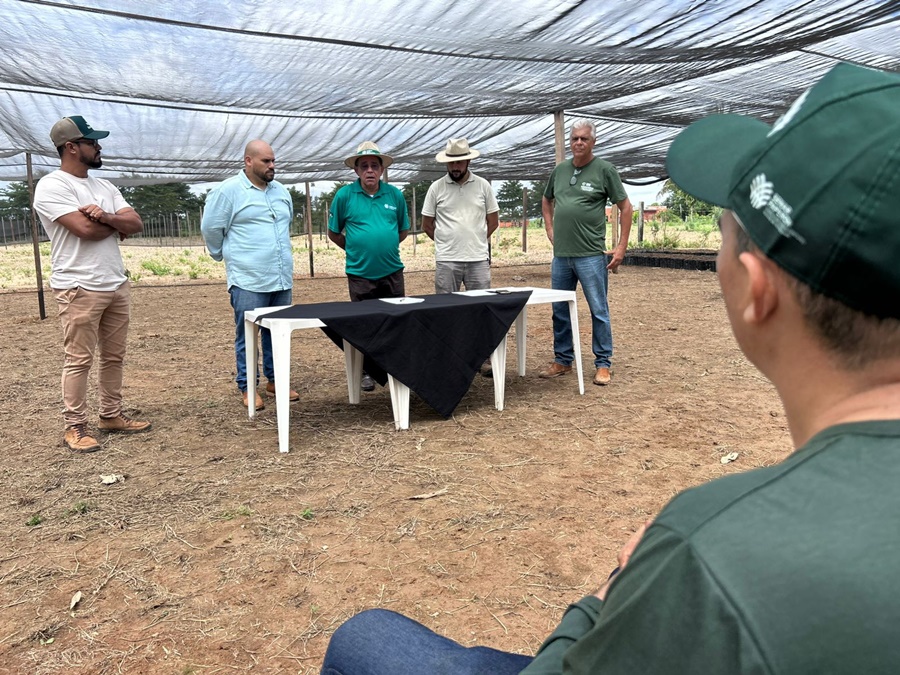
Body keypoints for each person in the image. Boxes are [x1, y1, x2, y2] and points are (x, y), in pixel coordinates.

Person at [320, 63, 900, 674]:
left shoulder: (707, 549)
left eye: (730, 230)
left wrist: (601, 603)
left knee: (364, 638)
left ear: (756, 293)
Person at [33, 115, 151, 453]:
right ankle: (75, 426)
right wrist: (115, 225)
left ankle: (111, 414)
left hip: (115, 283)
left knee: (114, 356)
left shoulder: (104, 187)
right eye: (91, 142)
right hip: (78, 286)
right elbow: (83, 231)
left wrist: (106, 217)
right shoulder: (53, 186)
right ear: (71, 147)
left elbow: (136, 222)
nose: (99, 147)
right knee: (79, 359)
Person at [201, 140, 298, 411]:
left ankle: (275, 380)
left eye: (273, 161)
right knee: (248, 332)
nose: (272, 166)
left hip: (280, 276)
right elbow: (211, 228)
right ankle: (247, 386)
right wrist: (225, 256)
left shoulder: (280, 192)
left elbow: (285, 224)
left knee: (277, 329)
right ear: (248, 161)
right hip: (248, 278)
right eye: (266, 161)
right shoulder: (228, 191)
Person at [540, 119, 632, 386]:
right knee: (559, 308)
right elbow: (547, 200)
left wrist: (621, 246)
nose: (578, 143)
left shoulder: (604, 170)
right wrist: (549, 227)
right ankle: (563, 360)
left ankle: (603, 363)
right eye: (574, 139)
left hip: (591, 254)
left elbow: (625, 207)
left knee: (598, 309)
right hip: (561, 255)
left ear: (594, 142)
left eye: (584, 139)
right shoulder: (560, 171)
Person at [328, 141, 410, 392]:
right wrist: (357, 250)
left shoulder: (394, 195)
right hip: (360, 274)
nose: (370, 170)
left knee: (395, 321)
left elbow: (403, 230)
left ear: (382, 170)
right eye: (364, 166)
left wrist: (381, 245)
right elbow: (334, 233)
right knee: (364, 323)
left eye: (375, 165)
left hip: (392, 271)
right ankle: (366, 371)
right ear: (356, 171)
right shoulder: (344, 196)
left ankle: (397, 368)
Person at [422, 137, 500, 376]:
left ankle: (482, 358)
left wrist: (475, 240)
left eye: (459, 162)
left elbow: (493, 221)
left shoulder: (483, 186)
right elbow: (427, 223)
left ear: (467, 161)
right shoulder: (436, 188)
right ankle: (449, 357)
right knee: (446, 310)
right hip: (447, 260)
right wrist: (447, 242)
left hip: (478, 259)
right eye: (451, 163)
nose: (455, 167)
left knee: (481, 309)